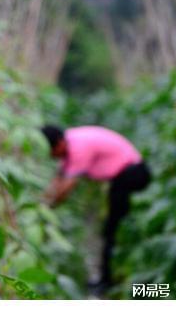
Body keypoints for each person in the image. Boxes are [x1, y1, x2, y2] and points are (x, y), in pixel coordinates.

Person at [40, 124, 152, 290]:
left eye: (51, 151)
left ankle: (108, 281)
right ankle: (111, 275)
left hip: (133, 174)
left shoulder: (78, 147)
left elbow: (66, 188)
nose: (51, 156)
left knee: (112, 229)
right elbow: (59, 178)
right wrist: (43, 201)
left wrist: (46, 209)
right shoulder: (69, 140)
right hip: (126, 174)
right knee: (115, 224)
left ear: (58, 143)